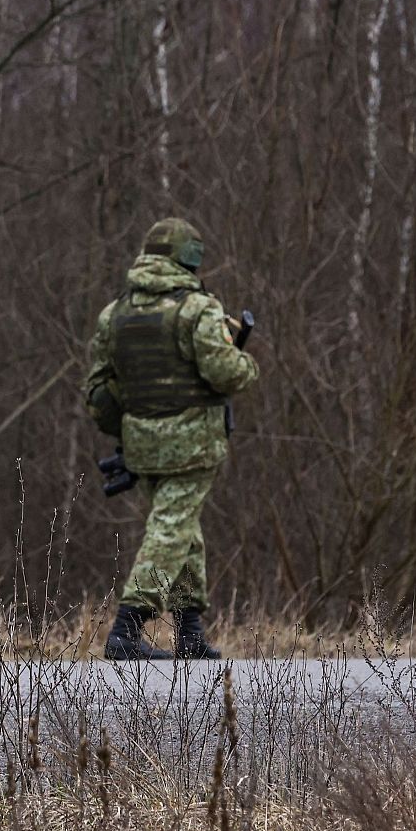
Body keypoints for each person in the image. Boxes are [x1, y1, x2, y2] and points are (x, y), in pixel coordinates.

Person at [84, 217, 258, 661]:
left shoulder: (115, 314)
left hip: (141, 446)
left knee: (182, 530)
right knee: (171, 529)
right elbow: (227, 373)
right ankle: (127, 627)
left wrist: (128, 427)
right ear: (189, 259)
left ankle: (189, 630)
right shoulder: (198, 310)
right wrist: (246, 361)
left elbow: (99, 391)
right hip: (194, 445)